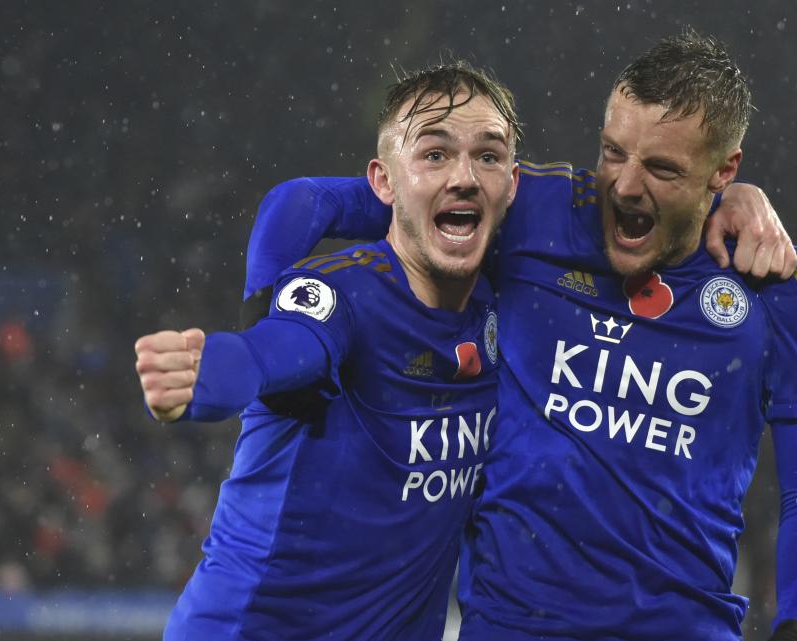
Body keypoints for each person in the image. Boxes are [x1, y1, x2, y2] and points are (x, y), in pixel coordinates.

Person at [244, 33, 797, 641]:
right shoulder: (531, 210)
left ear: (726, 169)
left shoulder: (776, 287)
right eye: (613, 152)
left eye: (662, 168)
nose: (626, 187)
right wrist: (262, 329)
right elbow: (305, 203)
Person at [135, 62, 520, 640]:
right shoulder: (340, 293)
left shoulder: (510, 300)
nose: (464, 176)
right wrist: (205, 375)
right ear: (383, 182)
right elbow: (275, 350)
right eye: (434, 154)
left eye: (487, 156)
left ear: (513, 182)